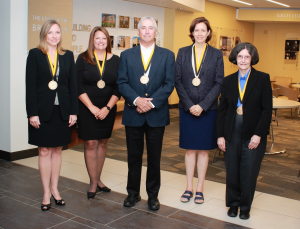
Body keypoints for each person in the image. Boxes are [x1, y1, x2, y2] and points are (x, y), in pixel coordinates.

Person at [117, 16, 175, 211]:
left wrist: (151, 104)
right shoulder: (126, 55)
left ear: (156, 33)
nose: (148, 31)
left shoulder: (167, 55)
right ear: (138, 32)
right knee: (133, 157)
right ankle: (133, 193)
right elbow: (122, 82)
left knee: (154, 158)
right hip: (133, 113)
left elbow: (169, 83)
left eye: (151, 28)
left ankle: (153, 195)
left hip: (156, 114)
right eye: (144, 28)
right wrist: (137, 101)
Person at [26, 20, 78, 211]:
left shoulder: (67, 56)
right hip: (42, 111)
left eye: (57, 32)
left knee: (57, 150)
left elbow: (73, 86)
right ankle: (46, 192)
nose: (54, 36)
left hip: (62, 111)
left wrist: (74, 111)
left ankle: (55, 189)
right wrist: (32, 113)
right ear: (44, 35)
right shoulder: (35, 54)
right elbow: (30, 86)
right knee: (45, 151)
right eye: (50, 33)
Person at [216, 42, 272, 220]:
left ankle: (245, 207)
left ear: (252, 59)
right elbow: (222, 110)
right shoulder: (228, 80)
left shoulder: (262, 79)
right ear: (235, 58)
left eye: (247, 57)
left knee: (248, 171)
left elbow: (266, 110)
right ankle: (233, 204)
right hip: (231, 130)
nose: (243, 60)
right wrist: (220, 135)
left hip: (253, 132)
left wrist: (259, 134)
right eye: (240, 56)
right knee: (232, 169)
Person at [175, 17, 224, 204]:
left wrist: (203, 105)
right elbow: (177, 80)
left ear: (209, 33)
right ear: (192, 32)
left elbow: (219, 82)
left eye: (203, 30)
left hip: (208, 109)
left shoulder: (216, 54)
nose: (200, 33)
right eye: (197, 30)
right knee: (189, 150)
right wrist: (189, 104)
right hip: (187, 109)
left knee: (203, 150)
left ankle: (200, 188)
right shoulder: (183, 52)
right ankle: (188, 187)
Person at [76, 27, 120, 199]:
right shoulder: (82, 59)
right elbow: (78, 85)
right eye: (97, 38)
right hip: (87, 108)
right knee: (90, 144)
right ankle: (93, 182)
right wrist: (92, 107)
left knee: (102, 143)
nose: (101, 41)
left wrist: (107, 108)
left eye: (104, 38)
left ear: (108, 41)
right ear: (92, 40)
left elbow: (119, 87)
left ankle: (99, 179)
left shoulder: (116, 60)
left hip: (107, 109)